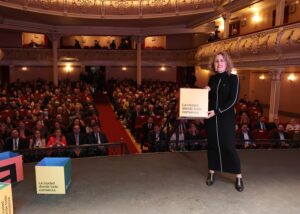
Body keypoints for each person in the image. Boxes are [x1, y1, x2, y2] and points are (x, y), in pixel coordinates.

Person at [204, 51, 244, 192]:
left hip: (225, 118)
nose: (219, 63)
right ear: (213, 65)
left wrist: (217, 111)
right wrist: (205, 92)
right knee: (213, 145)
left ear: (226, 63)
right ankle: (212, 172)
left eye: (221, 60)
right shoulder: (212, 79)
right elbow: (209, 99)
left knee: (228, 146)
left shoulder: (234, 78)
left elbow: (232, 100)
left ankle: (238, 175)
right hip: (210, 118)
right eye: (216, 61)